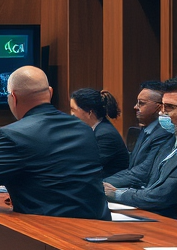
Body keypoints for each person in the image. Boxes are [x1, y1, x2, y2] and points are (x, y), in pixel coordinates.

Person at [0, 66, 109, 220]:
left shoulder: (12, 135)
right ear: (50, 92)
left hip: (50, 232)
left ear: (13, 98)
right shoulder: (84, 129)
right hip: (98, 228)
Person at [106, 78, 177, 216]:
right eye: (162, 106)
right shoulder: (170, 143)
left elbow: (161, 195)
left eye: (170, 107)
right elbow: (150, 180)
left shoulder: (163, 136)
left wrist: (116, 194)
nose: (162, 112)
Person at [104, 81, 169, 189]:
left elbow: (143, 172)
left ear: (159, 107)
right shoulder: (145, 129)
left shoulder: (163, 133)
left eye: (141, 103)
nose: (135, 107)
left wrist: (101, 185)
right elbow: (132, 169)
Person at [69, 87, 129, 177]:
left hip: (109, 184)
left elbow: (88, 166)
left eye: (73, 110)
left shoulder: (106, 135)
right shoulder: (92, 129)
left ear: (89, 112)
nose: (71, 114)